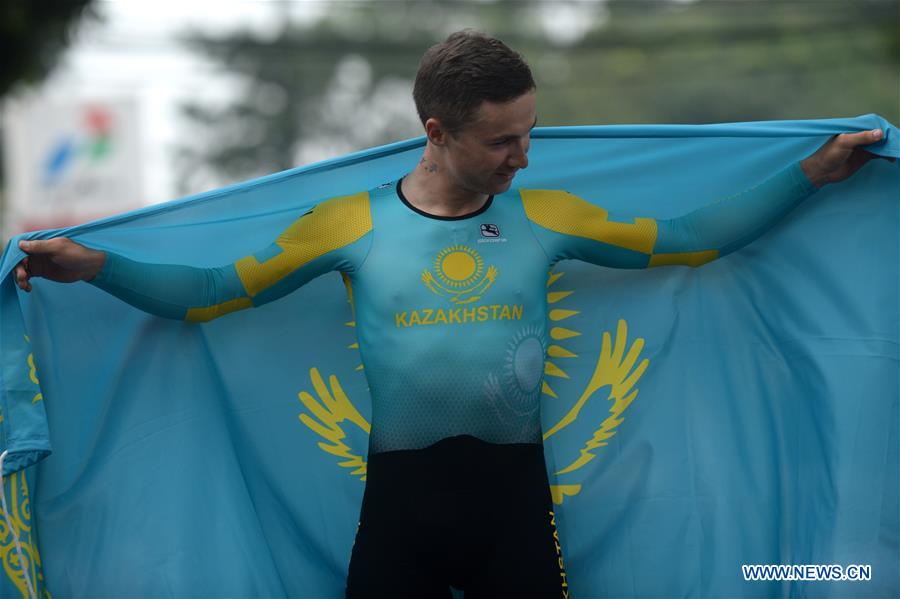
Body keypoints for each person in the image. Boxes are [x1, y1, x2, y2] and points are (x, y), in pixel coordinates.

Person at [12, 30, 892, 599]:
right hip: (402, 499)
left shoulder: (545, 215)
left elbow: (688, 237)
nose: (523, 154)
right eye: (502, 139)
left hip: (515, 495)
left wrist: (808, 175)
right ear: (438, 130)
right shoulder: (351, 223)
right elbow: (211, 293)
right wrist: (95, 266)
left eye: (530, 130)